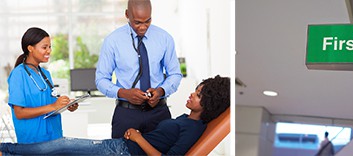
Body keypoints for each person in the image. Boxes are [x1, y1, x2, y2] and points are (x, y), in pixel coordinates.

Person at [0, 75, 230, 155]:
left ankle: (6, 149)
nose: (192, 94)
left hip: (122, 151)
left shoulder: (193, 128)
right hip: (122, 147)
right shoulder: (186, 119)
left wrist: (139, 138)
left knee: (60, 146)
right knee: (61, 148)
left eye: (198, 95)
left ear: (209, 103)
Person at [95, 0, 183, 138]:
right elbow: (101, 79)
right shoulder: (112, 41)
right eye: (137, 22)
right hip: (126, 114)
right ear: (127, 14)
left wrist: (160, 91)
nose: (143, 27)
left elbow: (175, 74)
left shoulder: (165, 38)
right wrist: (124, 93)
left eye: (147, 21)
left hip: (159, 112)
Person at [7, 27, 78, 144]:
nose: (49, 51)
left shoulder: (46, 74)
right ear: (30, 48)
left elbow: (50, 104)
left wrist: (66, 105)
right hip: (34, 140)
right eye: (44, 47)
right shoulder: (18, 74)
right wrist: (53, 106)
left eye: (50, 47)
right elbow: (19, 113)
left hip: (54, 137)